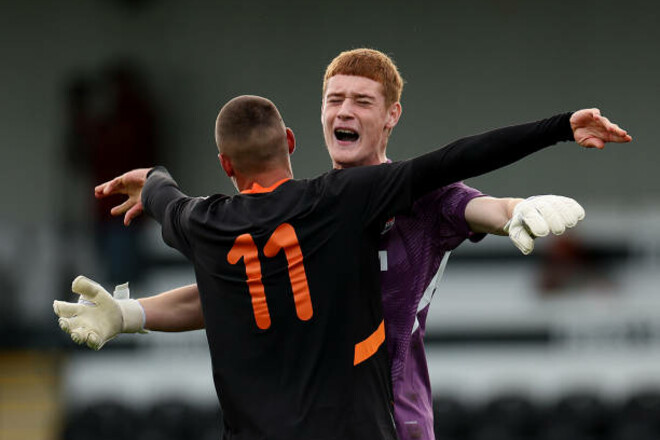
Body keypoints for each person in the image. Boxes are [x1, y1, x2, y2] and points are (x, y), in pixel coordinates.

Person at [55, 50, 632, 439]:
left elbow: (472, 198)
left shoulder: (419, 196)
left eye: (362, 100)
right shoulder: (311, 207)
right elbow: (231, 292)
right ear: (313, 119)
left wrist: (515, 212)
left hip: (397, 424)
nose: (345, 110)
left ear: (391, 116)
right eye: (335, 99)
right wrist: (131, 313)